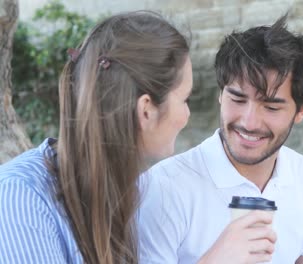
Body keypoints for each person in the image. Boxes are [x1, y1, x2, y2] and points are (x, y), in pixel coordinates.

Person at [0, 11, 274, 264]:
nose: (187, 115)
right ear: (146, 110)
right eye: (184, 99)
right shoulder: (21, 197)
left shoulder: (135, 191)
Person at [137, 14, 303, 264]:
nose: (249, 122)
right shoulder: (162, 188)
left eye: (271, 107)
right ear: (221, 95)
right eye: (237, 99)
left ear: (300, 112)